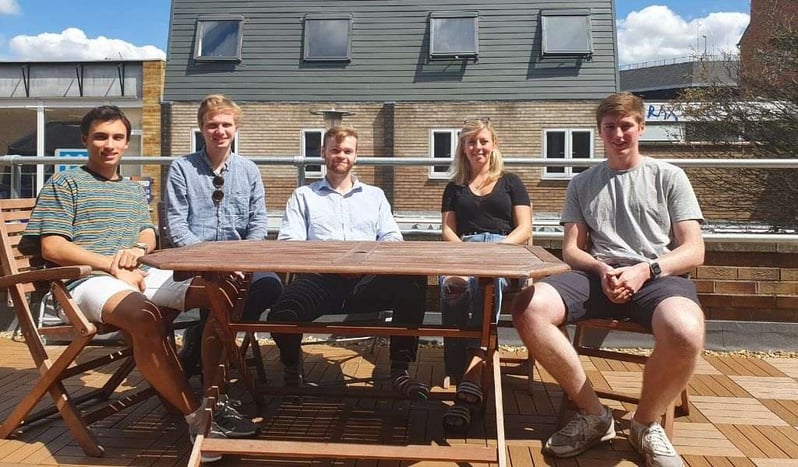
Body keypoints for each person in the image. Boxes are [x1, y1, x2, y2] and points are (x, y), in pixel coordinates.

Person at [21, 105, 242, 463]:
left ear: (126, 143)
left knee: (224, 293)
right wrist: (111, 265)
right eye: (100, 136)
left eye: (117, 137)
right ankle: (195, 416)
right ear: (85, 140)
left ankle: (214, 398)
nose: (109, 144)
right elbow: (53, 246)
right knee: (144, 317)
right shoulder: (65, 183)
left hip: (137, 273)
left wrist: (138, 248)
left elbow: (147, 232)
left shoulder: (130, 188)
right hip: (84, 282)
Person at [511, 92, 705, 467]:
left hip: (657, 275)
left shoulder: (669, 176)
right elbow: (572, 250)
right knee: (529, 307)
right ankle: (595, 415)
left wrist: (644, 270)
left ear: (641, 127)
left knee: (685, 331)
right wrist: (602, 270)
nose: (619, 134)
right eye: (610, 127)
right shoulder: (583, 183)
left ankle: (645, 424)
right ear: (600, 131)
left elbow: (694, 250)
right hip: (597, 275)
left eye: (626, 126)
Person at [267, 126, 429, 399]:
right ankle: (292, 368)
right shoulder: (303, 196)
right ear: (323, 153)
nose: (340, 155)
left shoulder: (374, 196)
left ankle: (399, 371)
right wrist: (331, 262)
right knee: (282, 314)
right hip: (320, 280)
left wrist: (366, 262)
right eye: (335, 150)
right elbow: (289, 243)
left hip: (366, 281)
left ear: (356, 156)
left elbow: (392, 238)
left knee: (413, 282)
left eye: (347, 151)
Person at [165, 94, 283, 438]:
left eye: (226, 125)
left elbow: (259, 224)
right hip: (197, 264)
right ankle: (218, 390)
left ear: (236, 128)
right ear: (201, 128)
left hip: (241, 262)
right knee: (219, 297)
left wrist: (242, 260)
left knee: (271, 285)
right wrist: (212, 262)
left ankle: (200, 340)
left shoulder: (248, 170)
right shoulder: (182, 168)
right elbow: (176, 225)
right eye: (212, 125)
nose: (219, 131)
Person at [439, 118, 531, 433]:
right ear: (463, 148)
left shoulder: (510, 182)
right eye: (471, 142)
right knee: (452, 286)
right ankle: (462, 367)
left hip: (503, 247)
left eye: (483, 141)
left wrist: (498, 250)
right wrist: (468, 252)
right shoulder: (454, 187)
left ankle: (473, 370)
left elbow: (525, 228)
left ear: (493, 145)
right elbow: (448, 231)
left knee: (485, 284)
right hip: (464, 249)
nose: (478, 147)